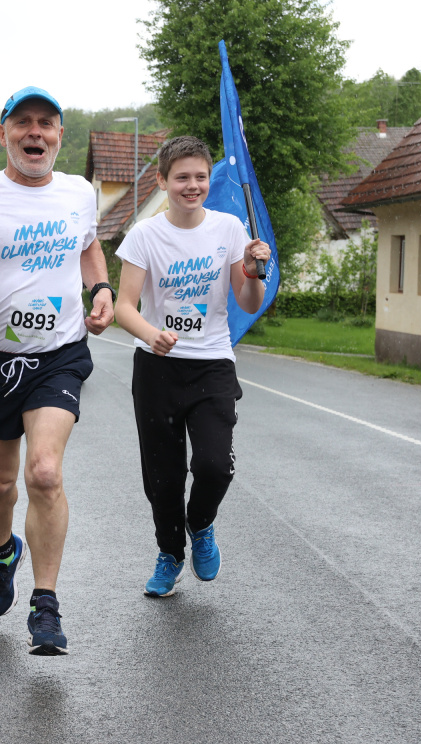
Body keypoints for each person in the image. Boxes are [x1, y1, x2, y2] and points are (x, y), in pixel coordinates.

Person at [0, 87, 115, 656]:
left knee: (45, 473)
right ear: (3, 133)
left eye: (46, 123)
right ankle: (3, 549)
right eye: (24, 122)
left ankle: (45, 605)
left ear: (59, 136)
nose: (36, 132)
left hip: (58, 354)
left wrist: (101, 288)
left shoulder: (78, 192)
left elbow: (88, 247)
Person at [113, 135, 269, 598]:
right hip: (157, 368)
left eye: (200, 176)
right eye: (182, 177)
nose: (193, 185)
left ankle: (200, 523)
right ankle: (170, 554)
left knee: (214, 465)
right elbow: (124, 306)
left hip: (212, 364)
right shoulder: (144, 235)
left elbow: (248, 301)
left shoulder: (228, 229)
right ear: (163, 181)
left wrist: (253, 271)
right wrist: (150, 334)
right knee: (162, 478)